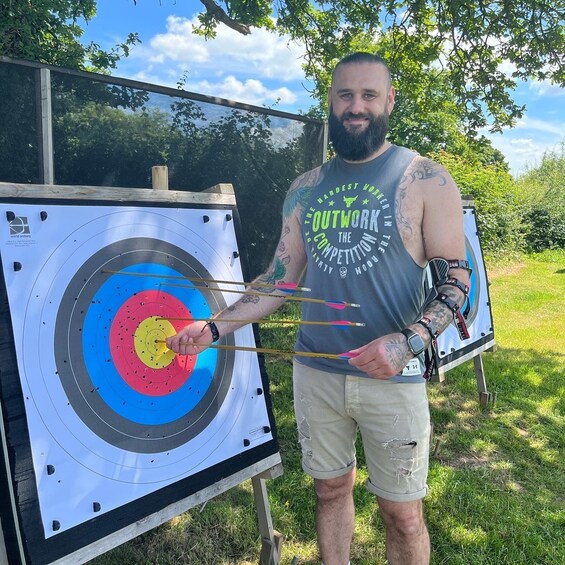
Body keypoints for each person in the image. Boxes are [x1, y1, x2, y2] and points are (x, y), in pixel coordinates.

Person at [167, 52, 469, 565]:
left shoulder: (426, 179)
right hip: (317, 371)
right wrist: (213, 327)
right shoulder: (305, 187)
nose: (356, 106)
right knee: (329, 491)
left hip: (392, 376)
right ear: (330, 103)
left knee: (403, 515)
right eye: (345, 95)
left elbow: (457, 283)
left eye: (369, 94)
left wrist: (409, 341)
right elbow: (279, 280)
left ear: (389, 101)